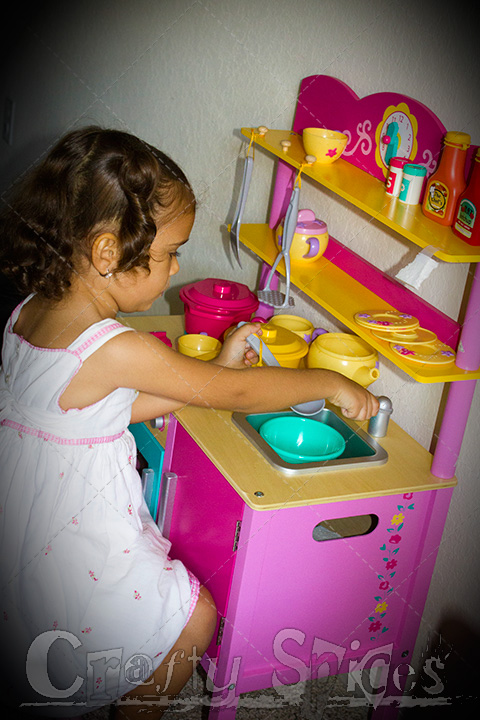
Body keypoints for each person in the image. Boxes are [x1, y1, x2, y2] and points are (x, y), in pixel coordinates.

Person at [0, 127, 379, 719]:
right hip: (74, 539)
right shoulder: (113, 346)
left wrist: (207, 377)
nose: (176, 267)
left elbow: (101, 413)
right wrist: (332, 382)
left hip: (27, 521)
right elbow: (240, 392)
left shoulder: (29, 310)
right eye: (169, 253)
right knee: (193, 618)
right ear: (106, 254)